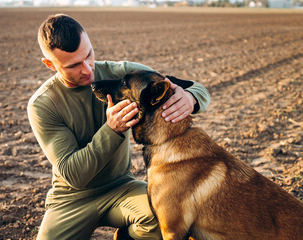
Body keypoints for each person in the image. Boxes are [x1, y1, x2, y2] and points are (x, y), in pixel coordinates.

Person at [27, 14, 210, 240]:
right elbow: (74, 175)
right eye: (74, 65)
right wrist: (111, 130)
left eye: (89, 54)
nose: (87, 69)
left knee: (161, 217)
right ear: (49, 64)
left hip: (122, 187)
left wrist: (190, 98)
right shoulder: (43, 105)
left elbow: (196, 88)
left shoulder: (120, 73)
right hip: (71, 200)